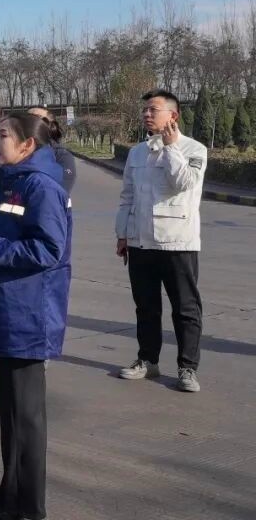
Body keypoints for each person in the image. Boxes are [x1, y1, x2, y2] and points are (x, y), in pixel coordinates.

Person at [0, 112, 72, 520]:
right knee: (10, 414)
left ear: (27, 145)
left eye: (3, 135)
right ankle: (11, 495)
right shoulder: (5, 182)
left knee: (27, 417)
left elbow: (49, 250)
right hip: (3, 308)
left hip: (27, 313)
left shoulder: (42, 188)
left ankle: (30, 507)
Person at [115, 89, 207, 393]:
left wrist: (171, 148)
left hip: (177, 243)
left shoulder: (194, 149)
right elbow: (127, 196)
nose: (146, 114)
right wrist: (122, 234)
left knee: (185, 309)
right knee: (146, 307)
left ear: (173, 115)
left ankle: (187, 368)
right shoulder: (137, 152)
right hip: (140, 242)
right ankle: (147, 360)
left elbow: (184, 183)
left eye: (153, 110)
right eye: (145, 110)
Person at [28, 106, 76, 194]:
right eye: (27, 118)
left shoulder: (61, 156)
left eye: (37, 118)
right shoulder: (12, 154)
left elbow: (57, 192)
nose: (30, 122)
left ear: (50, 125)